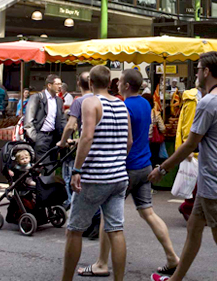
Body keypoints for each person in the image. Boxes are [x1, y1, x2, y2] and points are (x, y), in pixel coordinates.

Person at [148, 51, 217, 281]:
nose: (196, 72)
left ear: (207, 72)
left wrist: (162, 168)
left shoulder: (208, 102)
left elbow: (191, 143)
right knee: (194, 229)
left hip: (214, 177)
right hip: (216, 175)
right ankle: (175, 279)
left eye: (199, 67)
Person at [87, 68, 180, 278]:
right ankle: (172, 257)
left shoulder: (123, 106)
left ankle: (102, 263)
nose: (117, 84)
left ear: (127, 85)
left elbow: (125, 139)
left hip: (127, 167)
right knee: (148, 212)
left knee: (107, 214)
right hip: (145, 166)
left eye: (119, 81)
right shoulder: (146, 104)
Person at [60, 65, 130, 281]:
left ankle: (66, 279)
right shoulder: (121, 104)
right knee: (115, 230)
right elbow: (129, 141)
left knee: (74, 230)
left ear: (90, 83)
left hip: (94, 176)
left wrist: (77, 169)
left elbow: (87, 136)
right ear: (110, 83)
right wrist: (117, 160)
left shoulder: (90, 102)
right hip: (118, 177)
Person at [57, 72, 93, 210]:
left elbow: (70, 126)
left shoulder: (79, 101)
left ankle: (74, 207)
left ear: (78, 83)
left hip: (83, 147)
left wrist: (63, 141)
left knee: (74, 176)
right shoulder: (101, 100)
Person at [173, 79, 201, 220]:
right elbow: (188, 125)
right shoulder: (193, 100)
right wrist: (188, 147)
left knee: (197, 180)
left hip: (197, 146)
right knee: (195, 180)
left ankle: (191, 208)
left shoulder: (197, 99)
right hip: (194, 148)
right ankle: (187, 207)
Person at [25, 75, 66, 165]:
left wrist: (64, 137)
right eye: (57, 84)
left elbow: (62, 120)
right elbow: (28, 120)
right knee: (42, 166)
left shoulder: (59, 101)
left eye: (61, 84)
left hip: (54, 138)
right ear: (49, 85)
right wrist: (35, 138)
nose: (60, 87)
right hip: (41, 137)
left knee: (52, 165)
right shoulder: (37, 98)